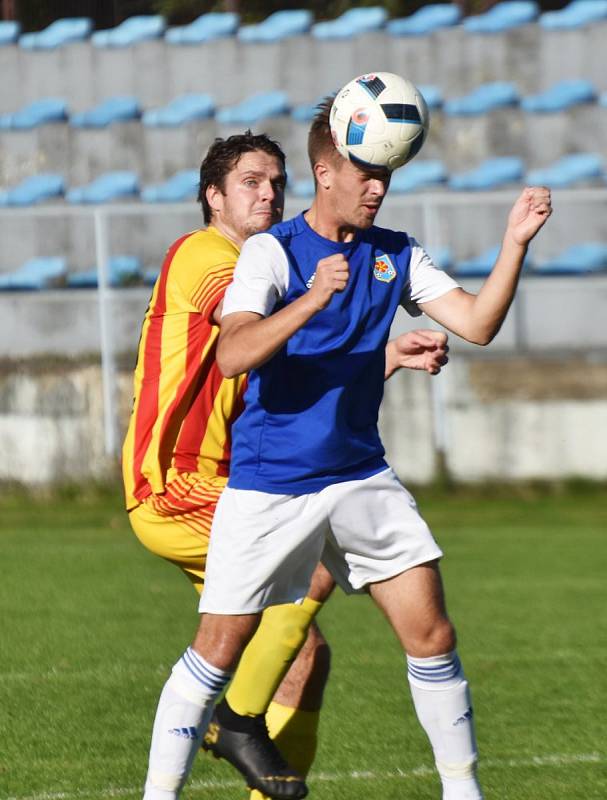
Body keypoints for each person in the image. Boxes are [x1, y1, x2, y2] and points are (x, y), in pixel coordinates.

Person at [122, 131, 450, 800]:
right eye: (249, 181)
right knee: (323, 565)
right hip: (177, 481)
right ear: (213, 197)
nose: (268, 193)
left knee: (305, 654)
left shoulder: (267, 262)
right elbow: (249, 336)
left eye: (275, 181)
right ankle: (234, 720)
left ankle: (240, 737)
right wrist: (324, 290)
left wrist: (381, 357)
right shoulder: (206, 255)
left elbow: (292, 361)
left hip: (237, 474)